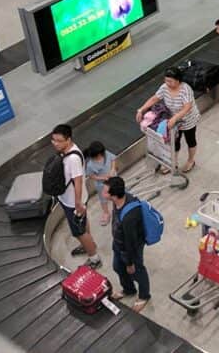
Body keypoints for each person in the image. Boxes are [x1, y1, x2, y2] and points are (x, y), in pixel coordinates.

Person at [50, 124, 102, 269]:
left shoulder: (73, 158)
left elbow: (78, 181)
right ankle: (87, 245)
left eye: (59, 141)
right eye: (53, 140)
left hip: (73, 202)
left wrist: (78, 203)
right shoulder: (66, 152)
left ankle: (94, 258)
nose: (55, 143)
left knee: (78, 231)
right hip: (71, 199)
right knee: (83, 224)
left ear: (68, 140)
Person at [135, 67, 200, 173]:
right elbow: (154, 98)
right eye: (166, 80)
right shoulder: (165, 87)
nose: (167, 83)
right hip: (173, 121)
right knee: (175, 142)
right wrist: (141, 109)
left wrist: (175, 118)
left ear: (178, 80)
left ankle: (191, 161)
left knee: (190, 140)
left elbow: (187, 107)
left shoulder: (185, 89)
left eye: (170, 81)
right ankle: (173, 162)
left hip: (188, 120)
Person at [103, 177, 150, 313]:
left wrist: (130, 263)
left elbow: (131, 242)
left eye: (105, 192)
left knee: (138, 271)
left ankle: (144, 296)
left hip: (130, 248)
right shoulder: (117, 201)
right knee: (117, 266)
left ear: (114, 195)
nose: (102, 194)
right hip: (119, 243)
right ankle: (129, 289)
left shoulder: (130, 216)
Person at [83, 140, 117, 226]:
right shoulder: (91, 165)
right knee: (103, 199)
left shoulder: (106, 154)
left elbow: (113, 159)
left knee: (117, 194)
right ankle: (106, 213)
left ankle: (118, 207)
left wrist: (113, 169)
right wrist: (103, 177)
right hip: (102, 185)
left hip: (114, 179)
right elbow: (91, 176)